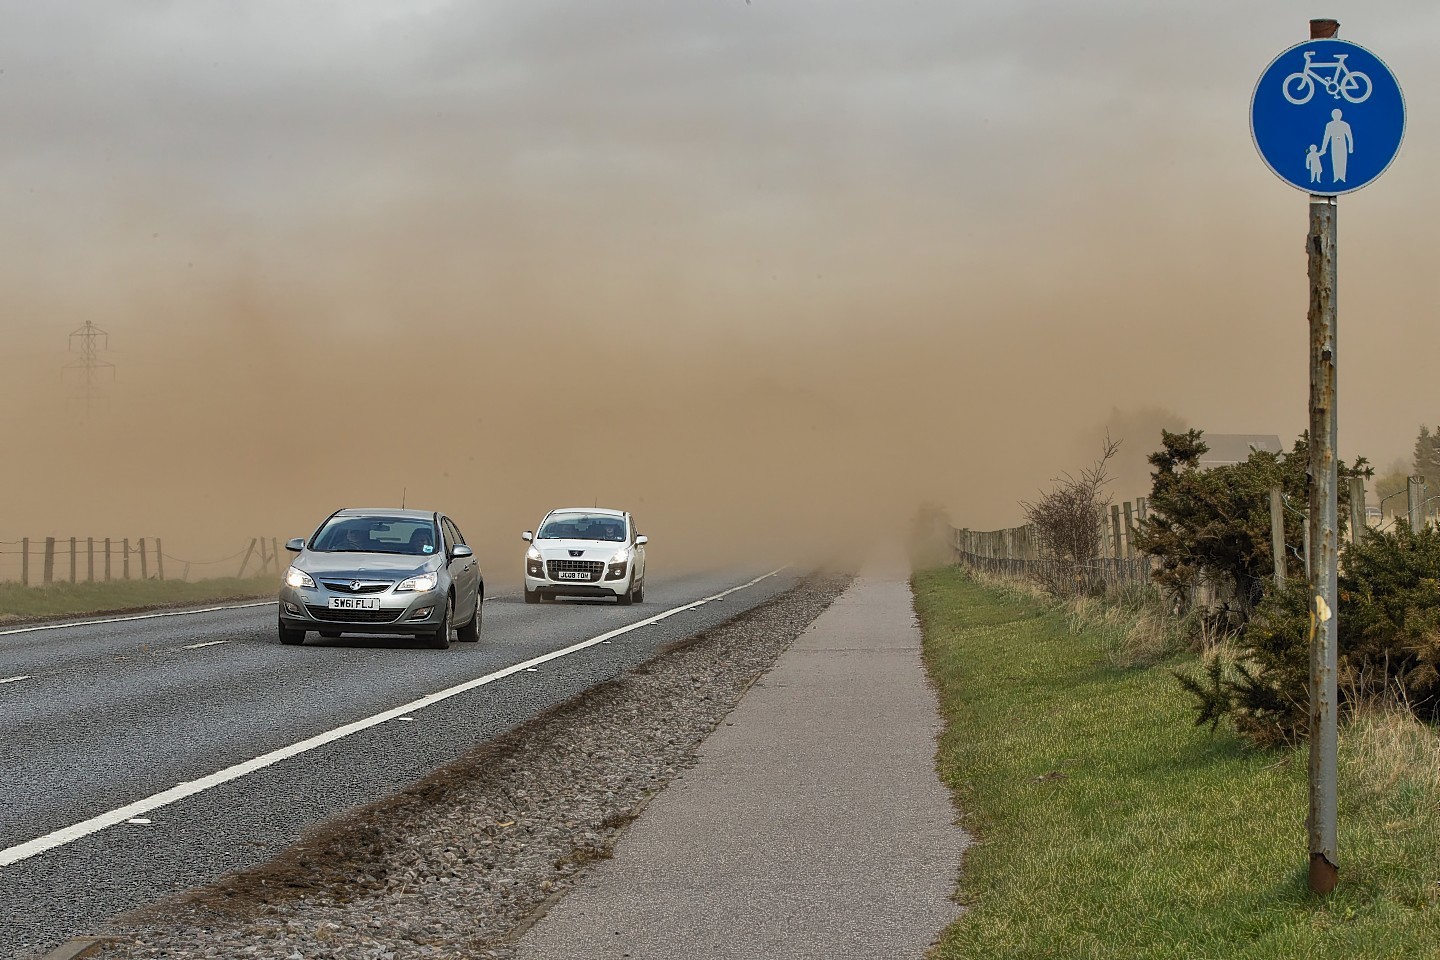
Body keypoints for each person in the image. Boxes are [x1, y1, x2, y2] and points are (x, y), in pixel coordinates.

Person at [1320, 109, 1354, 183]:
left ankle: (1342, 177)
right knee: (1335, 160)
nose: (1336, 116)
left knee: (1343, 160)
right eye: (1335, 115)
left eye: (1337, 115)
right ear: (1332, 116)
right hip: (1334, 145)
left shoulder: (1345, 125)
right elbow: (1326, 137)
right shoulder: (1329, 125)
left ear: (1340, 115)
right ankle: (1336, 177)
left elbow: (1349, 137)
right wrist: (1323, 148)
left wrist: (1350, 148)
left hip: (1343, 144)